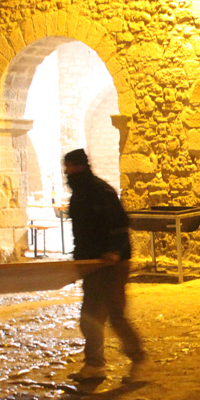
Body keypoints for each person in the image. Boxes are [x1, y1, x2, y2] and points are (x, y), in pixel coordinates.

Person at [65, 149, 147, 381]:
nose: (67, 171)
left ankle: (138, 359)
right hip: (92, 263)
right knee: (90, 315)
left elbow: (120, 224)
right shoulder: (80, 194)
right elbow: (81, 233)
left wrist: (115, 251)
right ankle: (95, 364)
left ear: (79, 166)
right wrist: (79, 263)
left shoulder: (100, 192)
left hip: (112, 264)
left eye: (69, 166)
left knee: (115, 314)